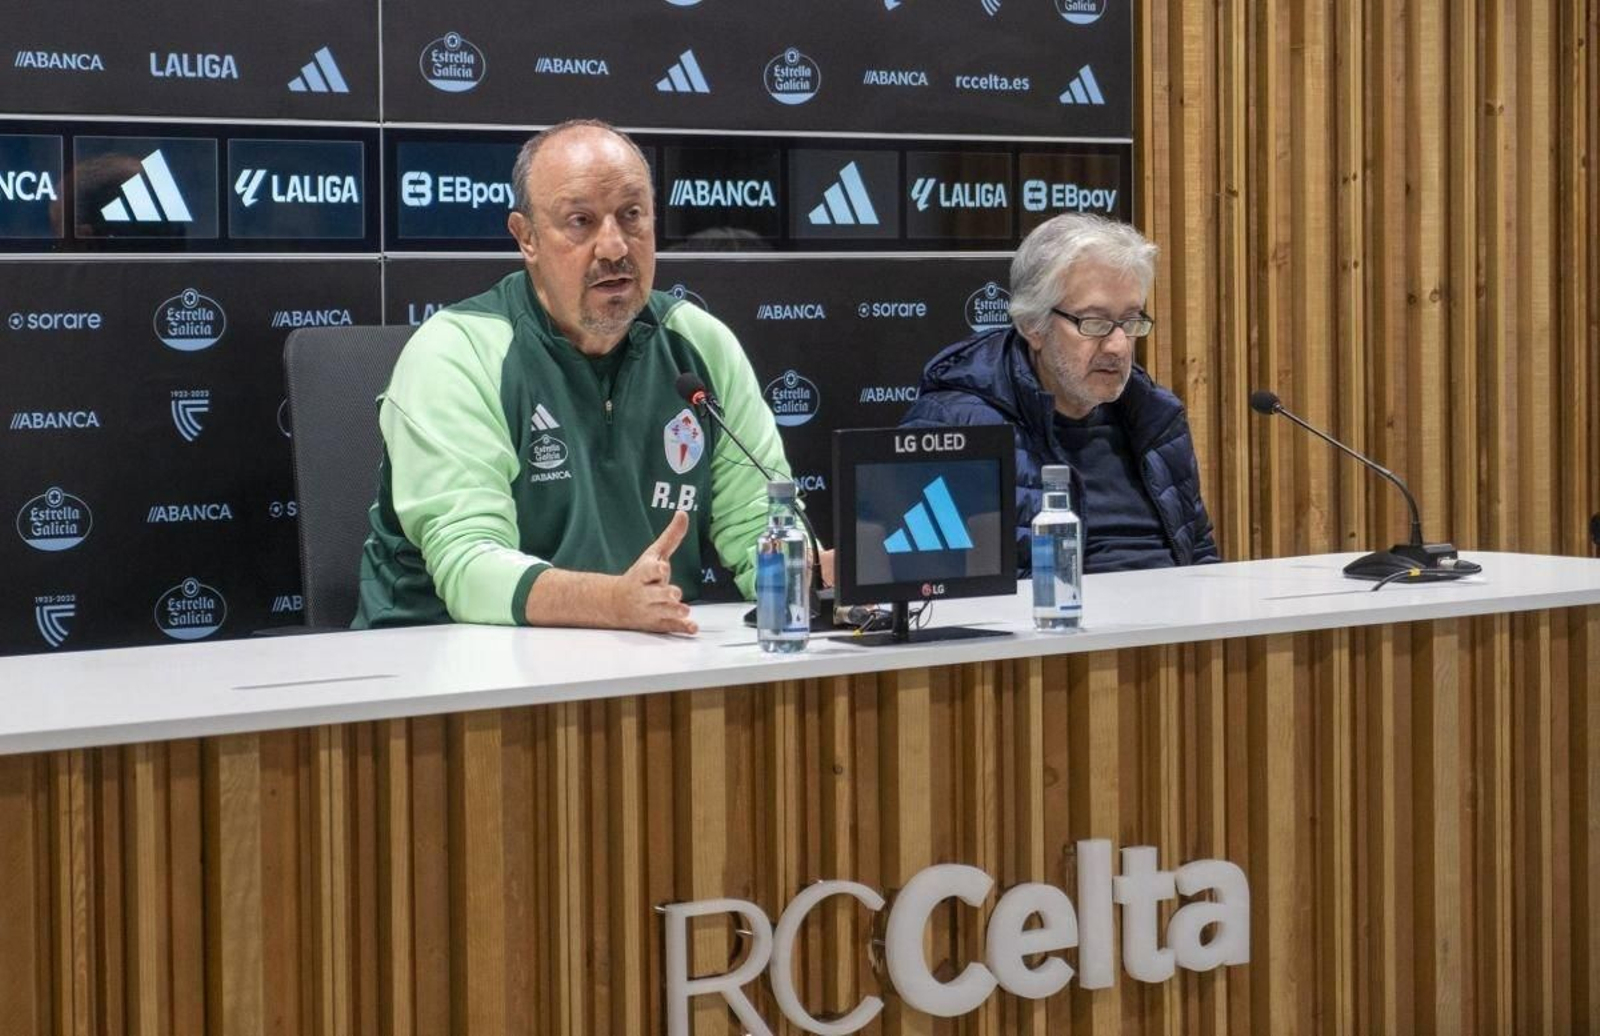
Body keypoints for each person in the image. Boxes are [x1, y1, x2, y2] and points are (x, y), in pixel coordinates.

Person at [353, 120, 799, 634]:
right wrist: (613, 603)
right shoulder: (458, 353)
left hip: (646, 660)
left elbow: (761, 522)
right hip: (445, 673)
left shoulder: (700, 344)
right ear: (527, 238)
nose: (614, 247)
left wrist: (818, 576)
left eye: (632, 216)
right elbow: (470, 568)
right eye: (580, 221)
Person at [900, 213, 1218, 573]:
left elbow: (1201, 560)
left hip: (1170, 625)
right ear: (1032, 325)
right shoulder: (957, 426)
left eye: (1129, 322)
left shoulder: (1158, 420)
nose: (1117, 346)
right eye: (1094, 322)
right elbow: (923, 580)